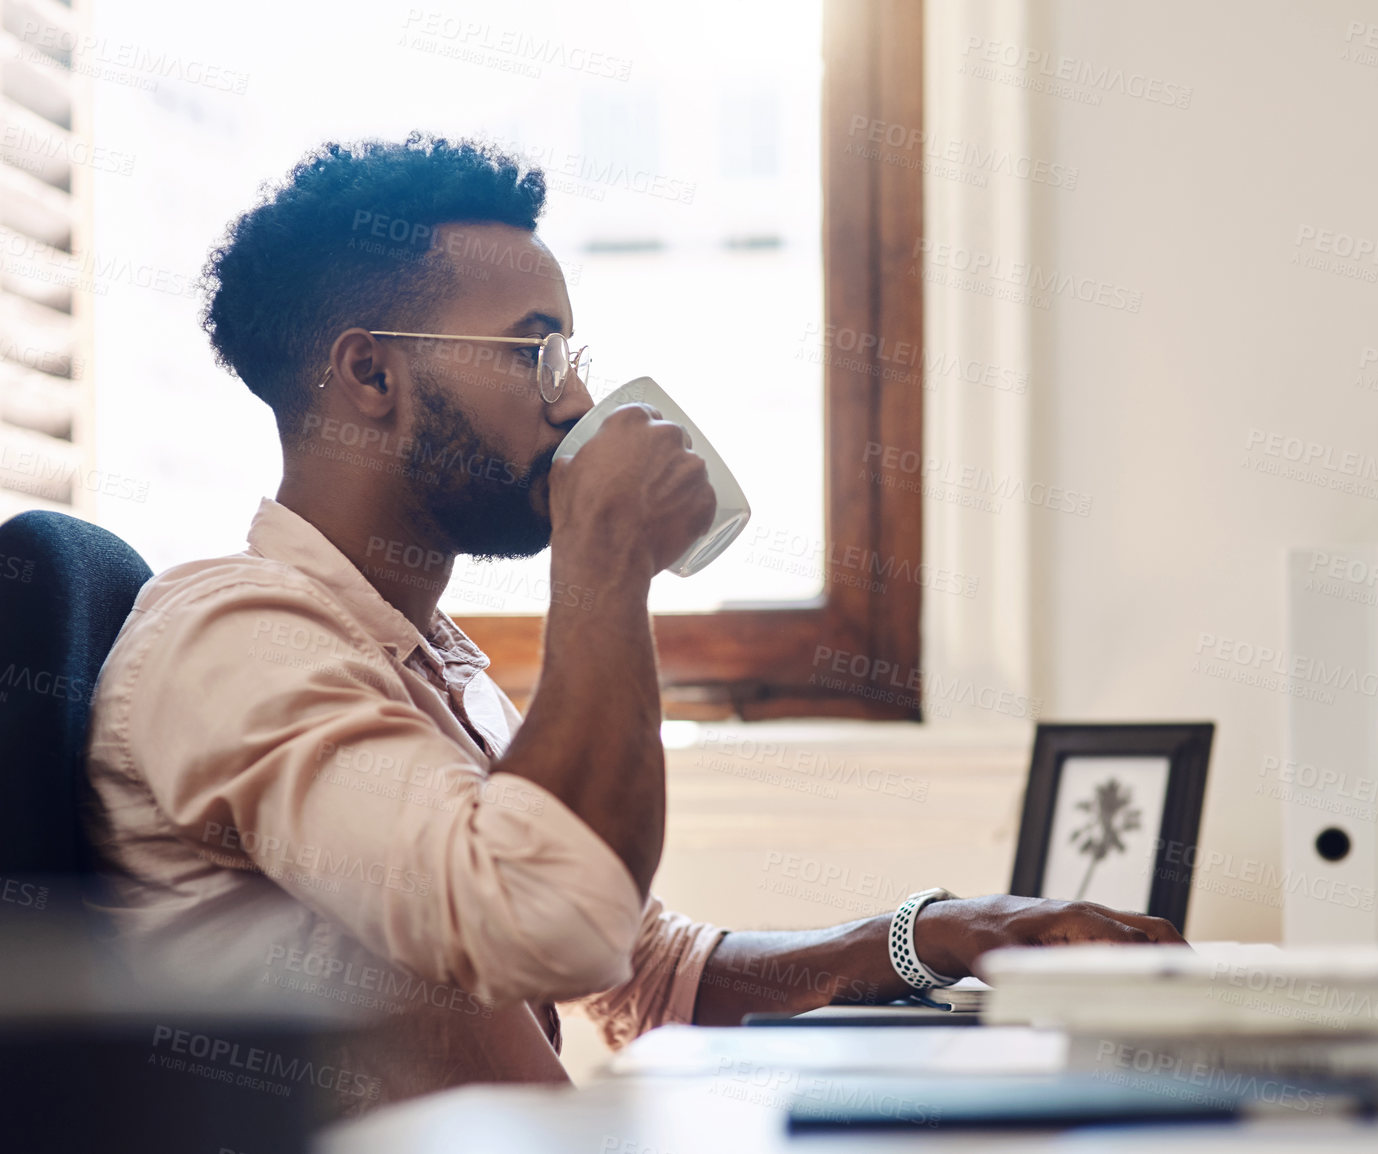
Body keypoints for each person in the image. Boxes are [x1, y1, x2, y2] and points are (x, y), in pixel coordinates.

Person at [83, 134, 1183, 1109]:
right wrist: (603, 558)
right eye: (538, 350)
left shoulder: (425, 655)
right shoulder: (235, 636)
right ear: (372, 370)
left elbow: (640, 973)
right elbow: (541, 919)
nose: (572, 401)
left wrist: (934, 932)